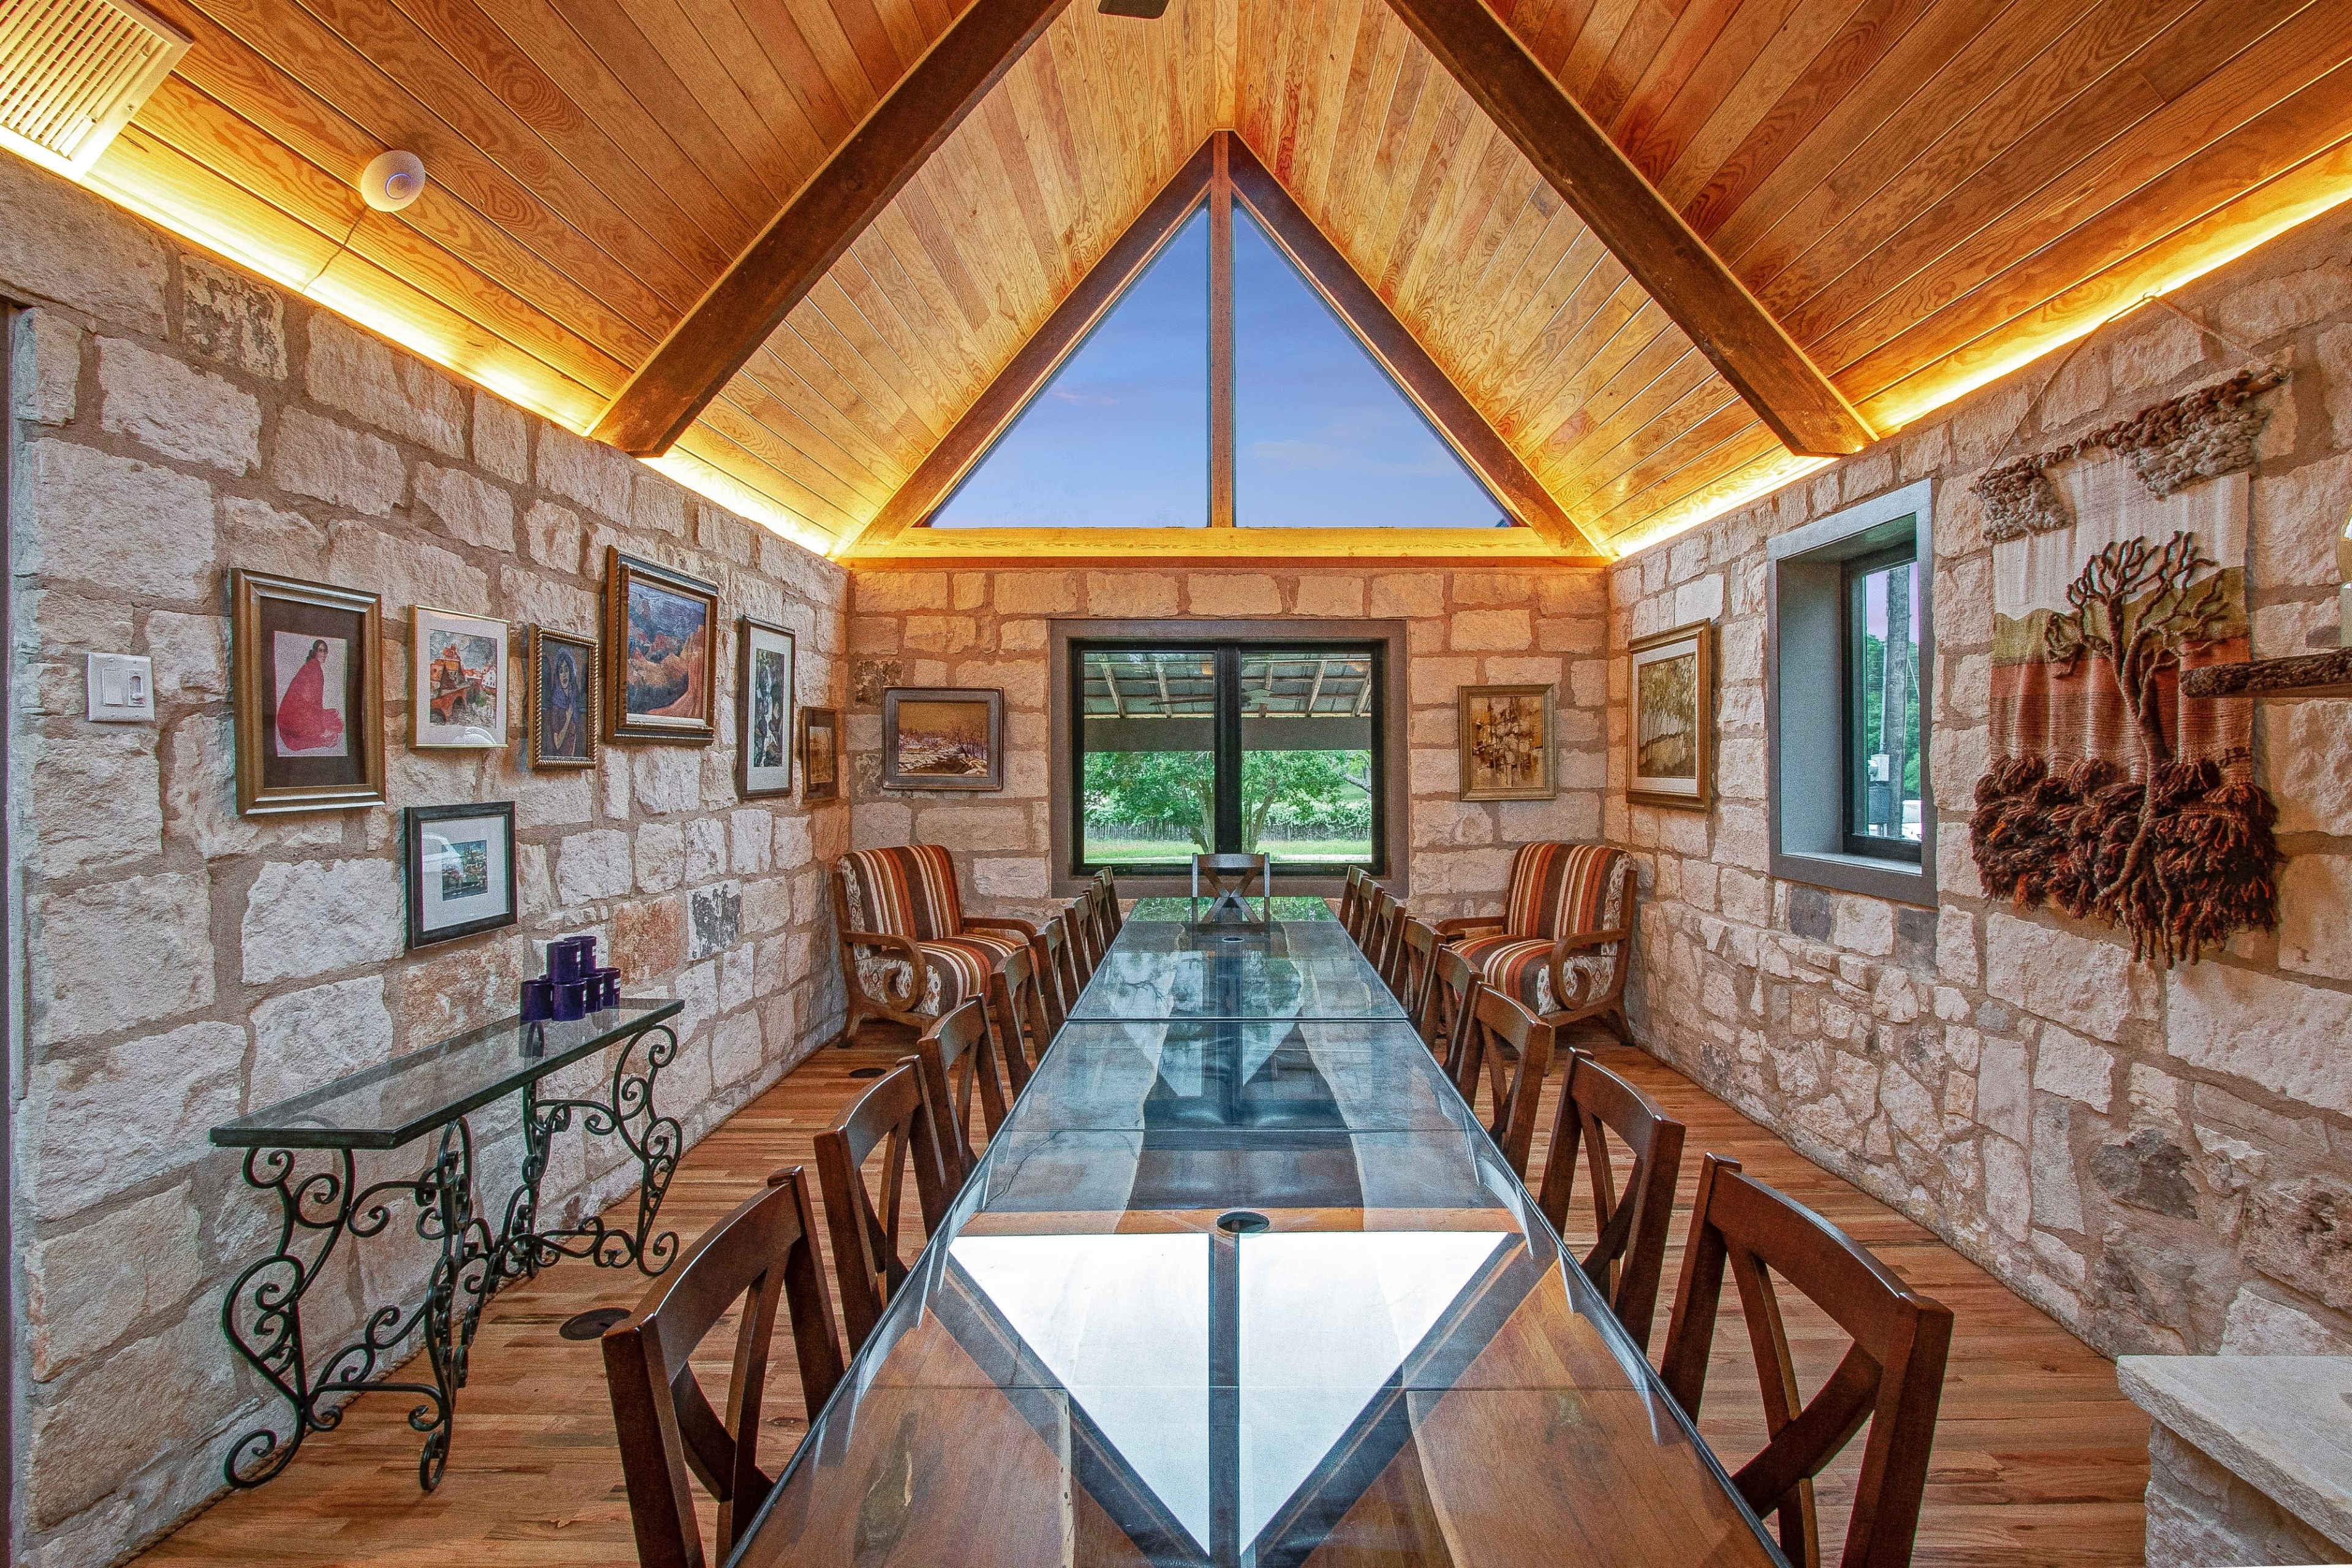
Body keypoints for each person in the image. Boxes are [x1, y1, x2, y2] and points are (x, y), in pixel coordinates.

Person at [277, 638, 344, 753]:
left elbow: (315, 698)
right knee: (333, 726)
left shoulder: (313, 666)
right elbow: (308, 698)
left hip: (296, 711)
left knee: (333, 722)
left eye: (325, 651)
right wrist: (319, 723)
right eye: (321, 651)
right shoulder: (313, 667)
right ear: (315, 652)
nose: (324, 654)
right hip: (296, 713)